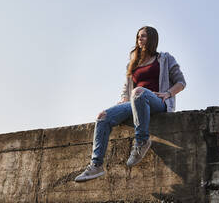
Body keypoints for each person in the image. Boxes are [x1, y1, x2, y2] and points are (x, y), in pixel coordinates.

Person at [75, 26, 186, 182]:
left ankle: (141, 141)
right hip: (135, 100)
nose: (140, 39)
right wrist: (122, 101)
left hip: (157, 101)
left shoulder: (165, 59)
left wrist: (167, 94)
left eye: (144, 36)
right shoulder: (133, 64)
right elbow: (126, 90)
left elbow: (181, 82)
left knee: (139, 92)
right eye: (138, 36)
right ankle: (96, 166)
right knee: (102, 116)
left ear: (152, 39)